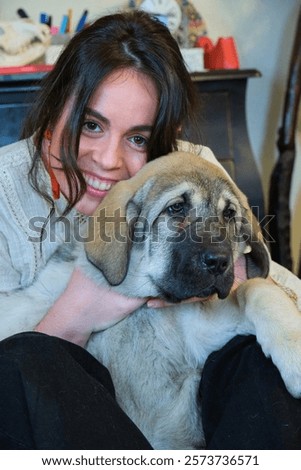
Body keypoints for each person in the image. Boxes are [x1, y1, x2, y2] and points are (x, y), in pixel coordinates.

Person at [0, 10, 300, 450]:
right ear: (55, 107)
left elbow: (279, 282)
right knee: (26, 361)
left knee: (254, 357)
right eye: (91, 124)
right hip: (82, 424)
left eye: (138, 138)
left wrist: (237, 283)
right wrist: (79, 311)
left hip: (189, 414)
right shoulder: (6, 189)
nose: (107, 160)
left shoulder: (187, 168)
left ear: (165, 137)